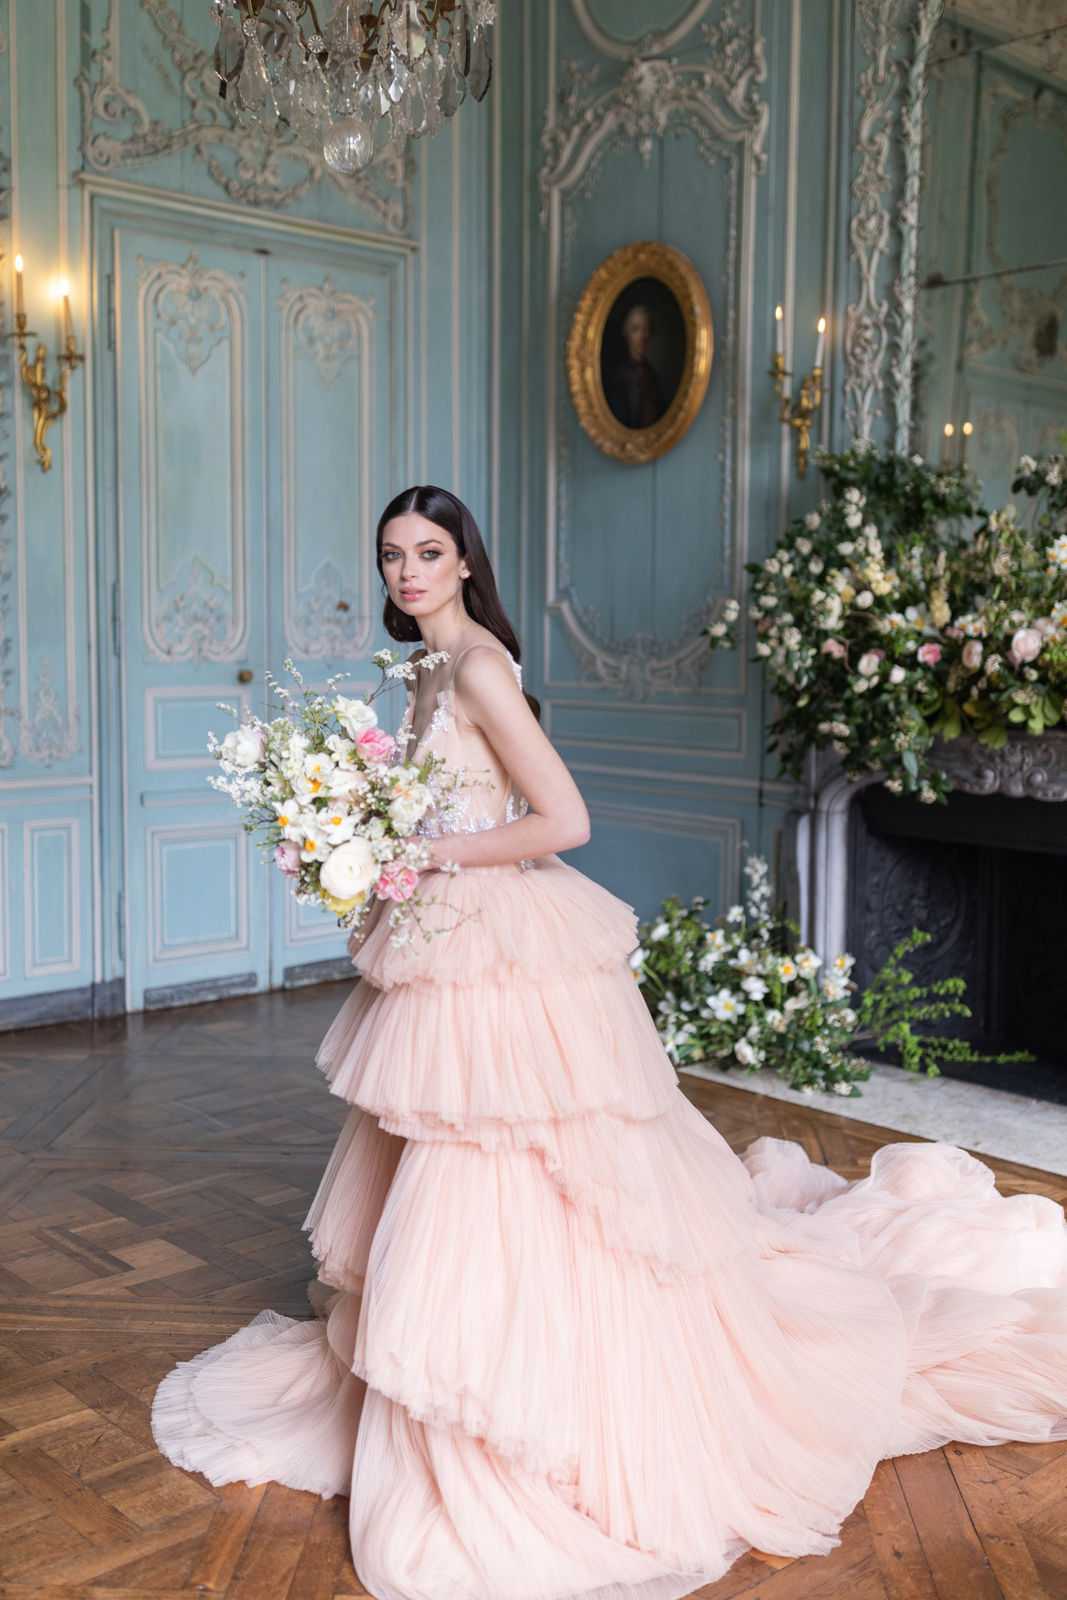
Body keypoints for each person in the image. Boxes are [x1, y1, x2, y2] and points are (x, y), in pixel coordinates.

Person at [151, 484, 1067, 1600]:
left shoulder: (478, 668)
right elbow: (443, 801)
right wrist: (362, 832)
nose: (407, 572)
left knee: (505, 1156)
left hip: (496, 939)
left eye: (428, 552)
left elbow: (564, 820)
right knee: (441, 1147)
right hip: (450, 938)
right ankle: (460, 1348)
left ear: (464, 561)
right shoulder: (425, 667)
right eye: (391, 555)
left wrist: (429, 853)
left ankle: (511, 1383)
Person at [603, 303, 668, 429]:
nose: (642, 336)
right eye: (635, 329)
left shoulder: (652, 376)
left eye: (646, 329)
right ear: (625, 333)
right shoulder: (615, 376)